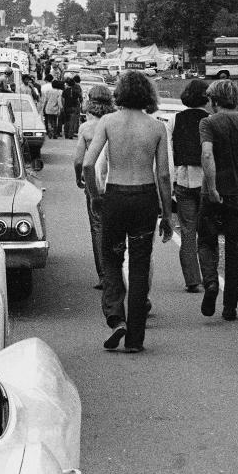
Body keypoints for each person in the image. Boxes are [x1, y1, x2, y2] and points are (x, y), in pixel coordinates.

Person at [82, 71, 172, 354]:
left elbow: (87, 164)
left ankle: (116, 317)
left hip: (116, 196)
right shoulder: (157, 127)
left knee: (111, 258)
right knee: (140, 265)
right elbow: (164, 175)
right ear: (147, 95)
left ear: (120, 93)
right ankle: (135, 338)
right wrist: (167, 215)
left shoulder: (108, 122)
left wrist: (96, 196)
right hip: (144, 198)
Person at [198, 79, 238, 322]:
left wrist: (211, 186)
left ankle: (210, 282)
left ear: (215, 100)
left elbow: (207, 154)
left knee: (207, 241)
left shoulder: (208, 123)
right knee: (234, 250)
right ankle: (230, 307)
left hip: (214, 192)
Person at [171, 79, 210, 295]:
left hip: (183, 178)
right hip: (205, 180)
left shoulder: (174, 120)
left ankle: (192, 279)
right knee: (206, 231)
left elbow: (170, 153)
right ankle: (208, 275)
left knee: (187, 230)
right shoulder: (210, 120)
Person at [73, 84, 114, 291]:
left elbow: (79, 160)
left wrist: (79, 178)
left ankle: (104, 275)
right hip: (115, 181)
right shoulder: (116, 122)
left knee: (97, 227)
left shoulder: (86, 128)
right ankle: (117, 271)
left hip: (94, 183)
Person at [62, 74, 83, 139]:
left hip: (67, 106)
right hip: (74, 106)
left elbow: (63, 99)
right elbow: (80, 98)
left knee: (66, 120)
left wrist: (63, 106)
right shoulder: (76, 90)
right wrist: (80, 104)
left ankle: (66, 134)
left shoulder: (65, 91)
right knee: (72, 121)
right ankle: (70, 135)